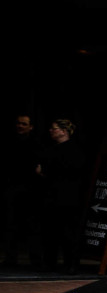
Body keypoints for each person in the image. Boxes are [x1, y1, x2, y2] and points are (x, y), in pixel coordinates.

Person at [38, 119, 85, 271]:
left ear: (64, 131)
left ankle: (68, 263)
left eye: (55, 128)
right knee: (54, 231)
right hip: (58, 196)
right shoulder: (55, 149)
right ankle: (58, 263)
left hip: (65, 197)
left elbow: (53, 170)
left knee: (65, 232)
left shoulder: (70, 150)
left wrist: (43, 171)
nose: (51, 131)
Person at [4, 113, 42, 267]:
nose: (20, 126)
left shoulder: (36, 145)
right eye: (19, 123)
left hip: (30, 189)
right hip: (12, 188)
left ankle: (35, 260)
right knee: (10, 224)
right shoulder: (10, 143)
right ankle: (10, 258)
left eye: (24, 124)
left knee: (32, 225)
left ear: (31, 127)